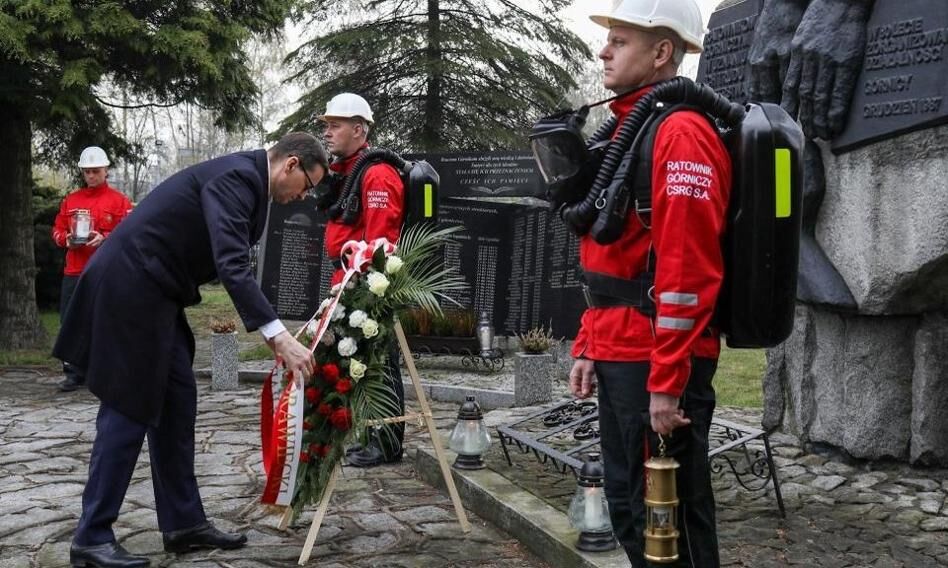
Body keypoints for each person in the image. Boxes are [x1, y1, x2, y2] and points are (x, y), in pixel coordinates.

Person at [53, 132, 328, 568]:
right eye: (308, 186)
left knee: (178, 399)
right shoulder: (238, 178)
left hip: (157, 293)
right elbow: (232, 264)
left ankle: (182, 524)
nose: (303, 197)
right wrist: (280, 338)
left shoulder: (248, 180)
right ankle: (91, 537)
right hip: (133, 287)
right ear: (291, 164)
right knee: (128, 409)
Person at [568, 1, 731, 566]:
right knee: (628, 508)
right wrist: (590, 343)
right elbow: (610, 253)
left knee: (670, 521)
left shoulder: (682, 133)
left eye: (619, 41)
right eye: (607, 40)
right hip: (619, 349)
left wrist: (668, 381)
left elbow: (688, 268)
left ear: (663, 52)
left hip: (655, 360)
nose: (603, 51)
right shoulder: (628, 128)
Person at [319, 93, 406, 468]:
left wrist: (368, 296)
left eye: (335, 125)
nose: (327, 133)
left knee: (380, 367)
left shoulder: (376, 175)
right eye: (326, 126)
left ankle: (386, 443)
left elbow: (380, 244)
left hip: (368, 290)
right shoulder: (353, 172)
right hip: (349, 284)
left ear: (359, 129)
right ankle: (373, 436)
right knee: (364, 367)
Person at [51, 146, 132, 392]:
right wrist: (65, 240)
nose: (91, 176)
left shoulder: (119, 201)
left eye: (95, 171)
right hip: (75, 271)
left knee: (107, 320)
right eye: (87, 172)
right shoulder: (71, 200)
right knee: (70, 322)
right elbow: (57, 230)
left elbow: (130, 232)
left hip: (105, 271)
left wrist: (105, 237)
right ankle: (74, 372)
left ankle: (107, 371)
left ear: (105, 170)